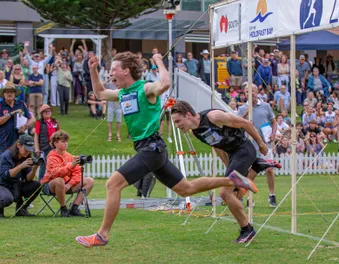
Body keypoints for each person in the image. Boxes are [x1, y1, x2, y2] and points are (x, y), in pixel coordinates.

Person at [76, 52, 257, 247]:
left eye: (113, 69)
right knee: (186, 188)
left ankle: (102, 235)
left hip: (151, 148)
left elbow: (164, 84)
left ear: (126, 70)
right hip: (150, 150)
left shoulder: (145, 89)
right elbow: (100, 93)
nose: (110, 73)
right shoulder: (121, 94)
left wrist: (160, 62)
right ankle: (231, 180)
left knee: (112, 184)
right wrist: (93, 70)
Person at [171, 100, 274, 242]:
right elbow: (217, 147)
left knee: (225, 193)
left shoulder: (214, 117)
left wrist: (261, 144)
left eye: (178, 121)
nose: (177, 126)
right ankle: (256, 167)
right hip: (234, 156)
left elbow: (246, 124)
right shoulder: (195, 132)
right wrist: (228, 168)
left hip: (244, 150)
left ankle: (247, 230)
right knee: (234, 195)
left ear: (188, 115)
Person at [238, 84, 281, 207]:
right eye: (247, 91)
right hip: (250, 145)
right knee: (251, 173)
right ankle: (249, 198)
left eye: (252, 90)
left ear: (257, 92)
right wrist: (246, 113)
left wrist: (273, 134)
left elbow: (273, 122)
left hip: (264, 144)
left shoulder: (265, 106)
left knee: (269, 169)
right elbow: (237, 125)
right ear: (244, 94)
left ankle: (272, 195)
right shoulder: (242, 109)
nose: (249, 93)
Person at [41, 131, 95, 217]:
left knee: (90, 181)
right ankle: (63, 208)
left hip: (66, 185)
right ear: (55, 143)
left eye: (66, 142)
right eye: (63, 142)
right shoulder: (51, 157)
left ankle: (74, 208)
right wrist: (71, 166)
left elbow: (78, 173)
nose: (66, 144)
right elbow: (55, 174)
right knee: (59, 180)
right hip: (49, 185)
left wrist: (70, 184)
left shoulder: (69, 156)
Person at [0, 134, 41, 217]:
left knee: (36, 185)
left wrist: (34, 170)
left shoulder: (26, 157)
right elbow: (5, 175)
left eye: (30, 150)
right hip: (3, 185)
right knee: (7, 199)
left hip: (17, 185)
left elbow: (28, 179)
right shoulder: (6, 156)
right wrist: (21, 166)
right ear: (19, 145)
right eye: (26, 149)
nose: (28, 152)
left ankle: (21, 209)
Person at [0, 83, 34, 153]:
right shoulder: (0, 105)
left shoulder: (21, 104)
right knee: (5, 162)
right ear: (3, 94)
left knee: (20, 161)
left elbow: (31, 119)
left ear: (15, 94)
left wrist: (25, 126)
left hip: (20, 141)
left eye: (11, 92)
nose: (9, 94)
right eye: (7, 92)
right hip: (4, 142)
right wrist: (12, 113)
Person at [34, 105, 60, 180]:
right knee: (44, 165)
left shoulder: (54, 121)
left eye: (49, 111)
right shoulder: (39, 122)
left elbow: (59, 133)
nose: (48, 113)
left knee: (55, 164)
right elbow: (36, 135)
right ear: (42, 113)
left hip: (54, 147)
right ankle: (41, 183)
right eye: (46, 111)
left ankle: (51, 181)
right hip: (44, 147)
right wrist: (36, 148)